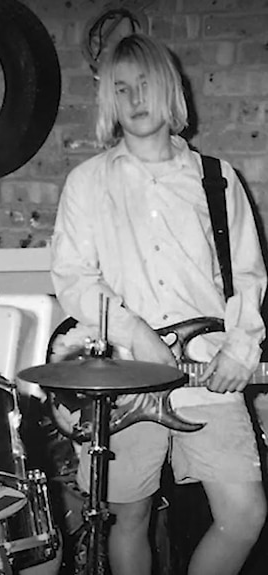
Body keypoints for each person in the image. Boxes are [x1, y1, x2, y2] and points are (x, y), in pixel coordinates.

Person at [51, 32, 267, 575]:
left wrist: (242, 349)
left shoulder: (216, 179)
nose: (135, 99)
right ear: (108, 100)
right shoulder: (86, 183)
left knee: (244, 514)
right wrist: (137, 334)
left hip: (208, 366)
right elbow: (74, 278)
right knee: (128, 517)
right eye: (121, 89)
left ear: (170, 89)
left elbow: (246, 274)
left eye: (145, 85)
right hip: (123, 376)